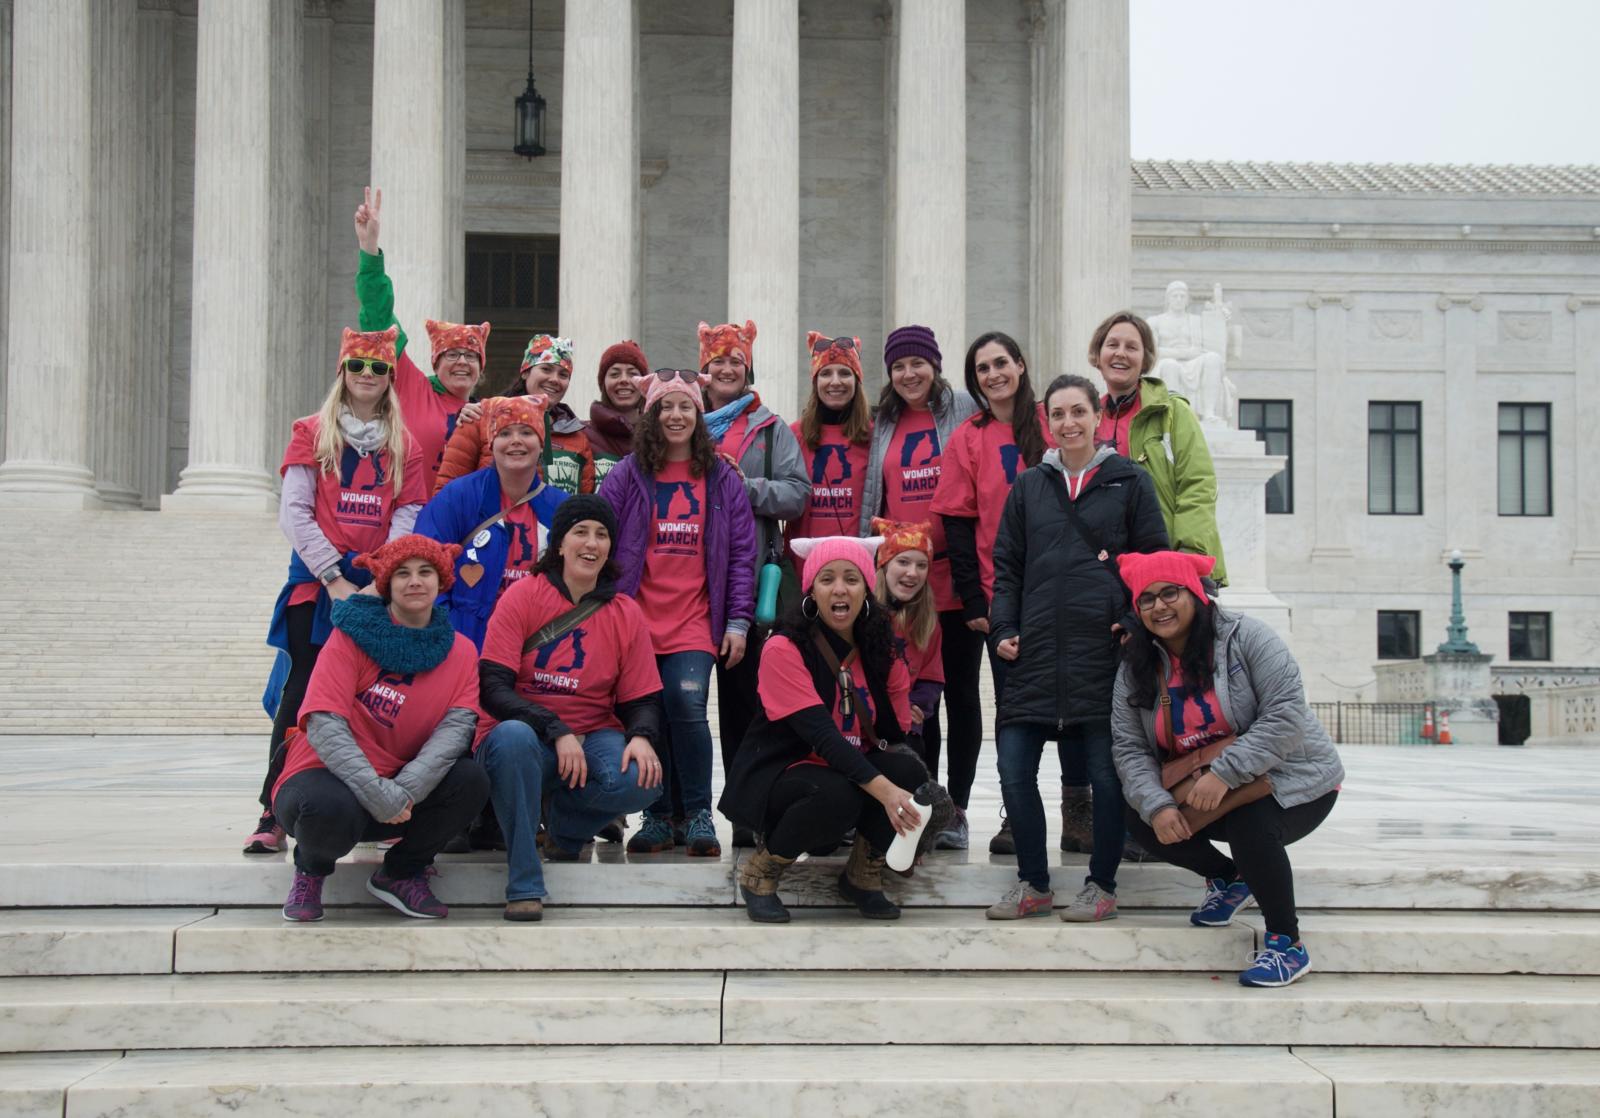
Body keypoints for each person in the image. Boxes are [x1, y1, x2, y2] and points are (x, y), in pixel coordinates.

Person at [1112, 550, 1343, 987]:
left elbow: (1286, 716)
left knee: (1248, 822)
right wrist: (1158, 805)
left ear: (1195, 593)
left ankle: (1286, 945)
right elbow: (1129, 748)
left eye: (1170, 593)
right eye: (1146, 600)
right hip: (1204, 782)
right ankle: (1228, 878)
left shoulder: (1248, 638)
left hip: (1293, 779)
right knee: (1139, 818)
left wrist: (1225, 774)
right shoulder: (1135, 665)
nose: (1159, 606)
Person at [985, 374, 1168, 922]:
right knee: (1014, 770)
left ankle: (1102, 884)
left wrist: (1134, 621)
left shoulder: (1128, 481)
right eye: (1058, 414)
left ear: (1097, 417)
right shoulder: (1028, 487)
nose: (1068, 423)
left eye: (1078, 412)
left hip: (1101, 653)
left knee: (1107, 778)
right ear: (1048, 421)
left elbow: (1152, 565)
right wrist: (1001, 630)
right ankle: (1033, 883)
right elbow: (1007, 568)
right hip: (1034, 651)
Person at [247, 326, 428, 855]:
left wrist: (378, 578)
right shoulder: (310, 431)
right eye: (357, 366)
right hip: (317, 585)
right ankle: (271, 808)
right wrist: (333, 576)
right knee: (302, 695)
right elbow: (295, 511)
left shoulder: (407, 445)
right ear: (342, 372)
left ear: (390, 376)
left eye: (377, 368)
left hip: (374, 588)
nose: (366, 376)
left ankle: (367, 802)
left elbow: (407, 513)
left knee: (370, 699)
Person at [720, 536, 951, 924]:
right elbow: (822, 738)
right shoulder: (783, 647)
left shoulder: (882, 649)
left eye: (851, 578)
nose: (840, 588)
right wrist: (888, 793)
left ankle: (863, 874)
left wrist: (920, 802)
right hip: (788, 773)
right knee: (840, 791)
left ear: (867, 589)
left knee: (909, 772)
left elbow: (895, 738)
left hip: (850, 770)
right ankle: (761, 874)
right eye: (827, 579)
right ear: (811, 591)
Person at [274, 534, 490, 922]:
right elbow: (324, 725)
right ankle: (310, 870)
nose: (415, 581)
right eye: (402, 573)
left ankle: (402, 873)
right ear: (386, 583)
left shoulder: (461, 651)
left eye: (426, 572)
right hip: (327, 779)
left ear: (441, 581)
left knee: (470, 778)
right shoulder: (349, 635)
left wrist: (404, 790)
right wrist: (375, 792)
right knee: (327, 809)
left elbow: (455, 731)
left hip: (400, 794)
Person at [475, 495, 665, 922]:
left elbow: (642, 698)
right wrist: (556, 729)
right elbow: (492, 688)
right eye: (580, 532)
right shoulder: (522, 597)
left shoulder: (624, 612)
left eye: (601, 535)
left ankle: (564, 829)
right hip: (524, 739)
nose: (591, 543)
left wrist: (641, 736)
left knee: (643, 779)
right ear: (559, 544)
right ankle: (524, 882)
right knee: (513, 738)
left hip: (592, 734)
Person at [599, 369, 758, 857]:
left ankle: (698, 813)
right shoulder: (629, 474)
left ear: (698, 414)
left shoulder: (722, 476)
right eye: (666, 406)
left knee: (685, 706)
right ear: (651, 414)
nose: (675, 415)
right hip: (636, 620)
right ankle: (657, 815)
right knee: (649, 716)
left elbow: (742, 554)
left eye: (685, 406)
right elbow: (599, 534)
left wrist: (737, 621)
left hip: (695, 620)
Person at [931, 330, 1055, 855]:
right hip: (984, 594)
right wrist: (974, 601)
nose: (993, 375)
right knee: (962, 703)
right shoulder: (969, 435)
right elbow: (958, 521)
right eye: (982, 369)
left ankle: (1017, 815)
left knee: (1020, 711)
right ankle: (954, 811)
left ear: (1021, 365)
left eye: (1001, 363)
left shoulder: (1052, 424)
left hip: (1047, 593)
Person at [857, 325, 980, 849]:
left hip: (956, 575)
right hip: (902, 580)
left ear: (935, 365)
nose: (909, 374)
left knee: (962, 693)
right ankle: (924, 800)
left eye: (918, 364)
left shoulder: (964, 408)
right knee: (911, 696)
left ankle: (960, 807)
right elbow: (872, 492)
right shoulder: (883, 421)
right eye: (899, 366)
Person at [353, 187, 486, 491]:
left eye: (471, 356)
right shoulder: (414, 388)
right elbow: (378, 319)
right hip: (405, 522)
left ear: (481, 367)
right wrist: (369, 248)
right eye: (452, 355)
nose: (462, 362)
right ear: (436, 361)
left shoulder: (485, 413)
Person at [415, 394, 568, 649]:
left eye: (527, 432)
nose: (516, 441)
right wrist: (446, 633)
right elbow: (423, 559)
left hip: (532, 652)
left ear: (542, 444)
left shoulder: (560, 508)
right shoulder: (459, 496)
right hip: (462, 645)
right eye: (505, 433)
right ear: (491, 442)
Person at [1090, 310, 1227, 583]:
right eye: (1112, 345)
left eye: (1132, 347)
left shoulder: (1173, 412)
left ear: (1145, 360)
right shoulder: (1085, 417)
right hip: (1102, 566)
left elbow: (1198, 484)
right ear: (1098, 354)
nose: (1121, 353)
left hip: (1162, 563)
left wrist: (1186, 557)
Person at [433, 334, 596, 497]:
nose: (554, 379)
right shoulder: (481, 417)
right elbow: (446, 492)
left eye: (563, 375)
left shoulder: (577, 438)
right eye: (546, 369)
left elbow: (584, 504)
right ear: (525, 372)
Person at [784, 332, 872, 575]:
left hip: (858, 566)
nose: (835, 382)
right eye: (825, 373)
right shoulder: (793, 435)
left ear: (857, 380)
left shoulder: (874, 436)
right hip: (805, 566)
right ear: (815, 381)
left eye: (844, 373)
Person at [870, 518, 942, 765]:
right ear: (884, 566)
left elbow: (932, 678)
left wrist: (916, 704)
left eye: (922, 565)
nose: (913, 573)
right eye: (903, 562)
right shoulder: (862, 614)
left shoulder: (928, 622)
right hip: (866, 719)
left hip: (907, 725)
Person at [586, 339, 649, 484]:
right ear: (603, 384)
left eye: (633, 374)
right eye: (615, 374)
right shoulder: (583, 436)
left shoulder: (659, 436)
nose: (624, 380)